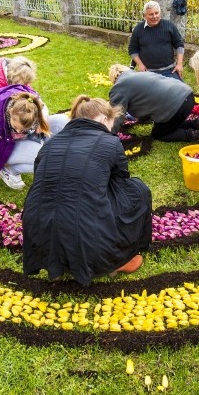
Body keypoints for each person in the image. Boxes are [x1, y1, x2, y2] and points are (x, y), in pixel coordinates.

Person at [22, 96, 152, 286]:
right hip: (85, 234)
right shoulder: (110, 142)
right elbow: (121, 179)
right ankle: (119, 258)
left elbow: (40, 176)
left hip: (37, 229)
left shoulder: (51, 142)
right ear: (103, 120)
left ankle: (57, 256)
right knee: (137, 190)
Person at [0, 85, 68, 198]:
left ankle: (36, 144)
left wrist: (44, 120)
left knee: (63, 121)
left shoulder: (33, 105)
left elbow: (44, 109)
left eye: (22, 129)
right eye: (15, 127)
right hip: (1, 146)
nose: (18, 131)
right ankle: (8, 169)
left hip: (21, 137)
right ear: (11, 112)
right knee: (43, 158)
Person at [108, 64, 199, 143]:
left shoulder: (119, 87)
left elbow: (117, 115)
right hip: (187, 95)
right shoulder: (141, 75)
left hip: (176, 106)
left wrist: (108, 135)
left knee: (159, 134)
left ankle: (196, 134)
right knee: (168, 124)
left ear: (114, 79)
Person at [128, 1, 185, 80]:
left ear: (160, 13)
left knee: (181, 91)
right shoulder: (138, 29)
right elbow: (132, 50)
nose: (154, 16)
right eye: (151, 14)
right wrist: (140, 65)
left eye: (156, 13)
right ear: (145, 16)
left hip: (169, 71)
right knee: (145, 92)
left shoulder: (169, 25)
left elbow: (179, 45)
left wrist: (179, 64)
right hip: (147, 72)